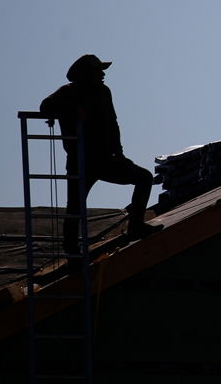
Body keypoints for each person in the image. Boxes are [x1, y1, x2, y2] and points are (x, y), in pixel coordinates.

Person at [40, 54, 154, 255]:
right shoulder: (68, 93)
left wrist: (118, 152)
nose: (102, 75)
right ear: (86, 74)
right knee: (75, 207)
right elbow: (45, 106)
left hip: (106, 159)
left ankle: (136, 227)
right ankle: (72, 253)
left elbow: (113, 124)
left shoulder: (103, 92)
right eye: (98, 71)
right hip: (81, 162)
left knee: (144, 178)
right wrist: (74, 110)